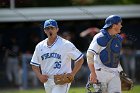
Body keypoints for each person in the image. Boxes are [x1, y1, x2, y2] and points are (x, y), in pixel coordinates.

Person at [30, 19, 84, 93]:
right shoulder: (40, 46)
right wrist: (39, 76)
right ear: (44, 31)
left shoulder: (65, 44)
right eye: (47, 28)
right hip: (47, 81)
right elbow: (34, 64)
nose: (50, 30)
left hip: (62, 80)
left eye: (52, 28)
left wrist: (72, 73)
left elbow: (80, 59)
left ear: (57, 29)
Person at [86, 15, 124, 93]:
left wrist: (121, 71)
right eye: (120, 24)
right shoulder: (100, 37)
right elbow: (89, 55)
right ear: (114, 25)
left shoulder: (118, 38)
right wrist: (93, 73)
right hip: (100, 73)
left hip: (114, 72)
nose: (121, 26)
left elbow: (115, 56)